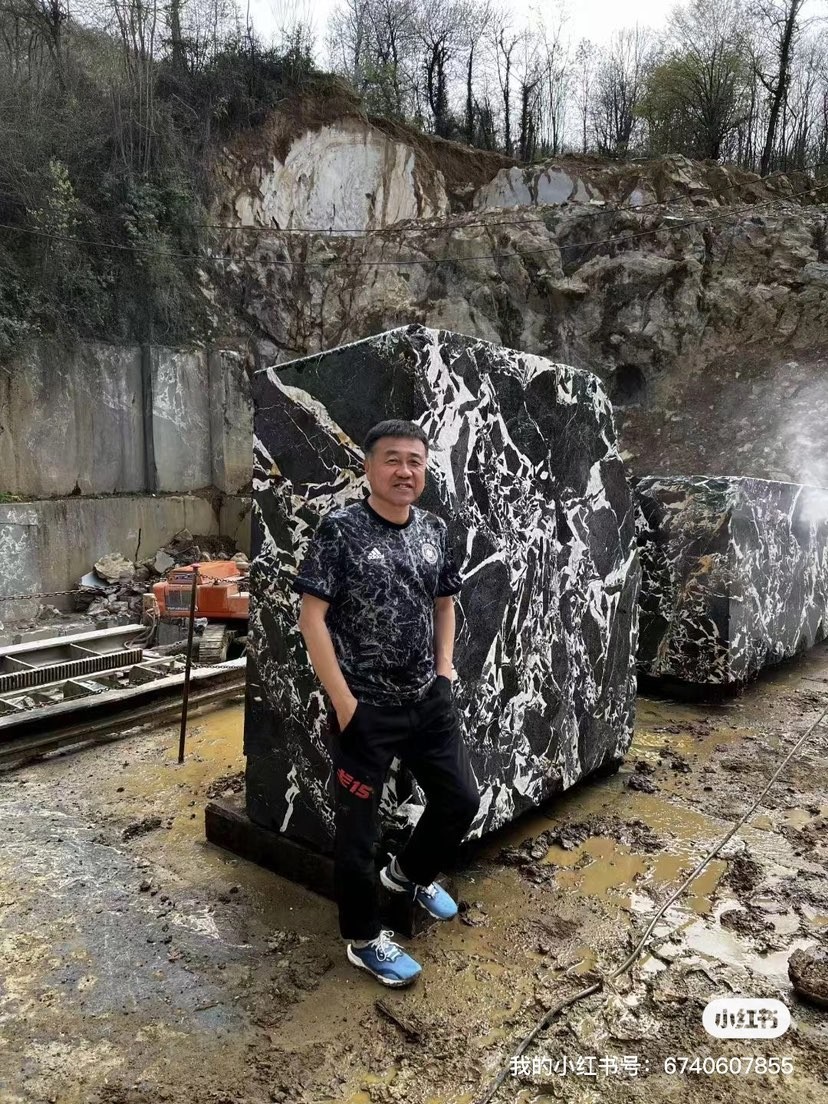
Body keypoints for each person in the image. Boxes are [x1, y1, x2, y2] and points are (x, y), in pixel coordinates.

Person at [294, 419, 480, 987]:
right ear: (369, 467)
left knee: (460, 800)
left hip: (427, 701)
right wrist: (345, 704)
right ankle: (364, 939)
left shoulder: (433, 529)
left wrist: (444, 671)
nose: (405, 471)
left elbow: (445, 603)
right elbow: (311, 617)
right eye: (392, 459)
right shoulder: (341, 530)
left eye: (415, 461)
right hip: (365, 710)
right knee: (358, 836)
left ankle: (407, 875)